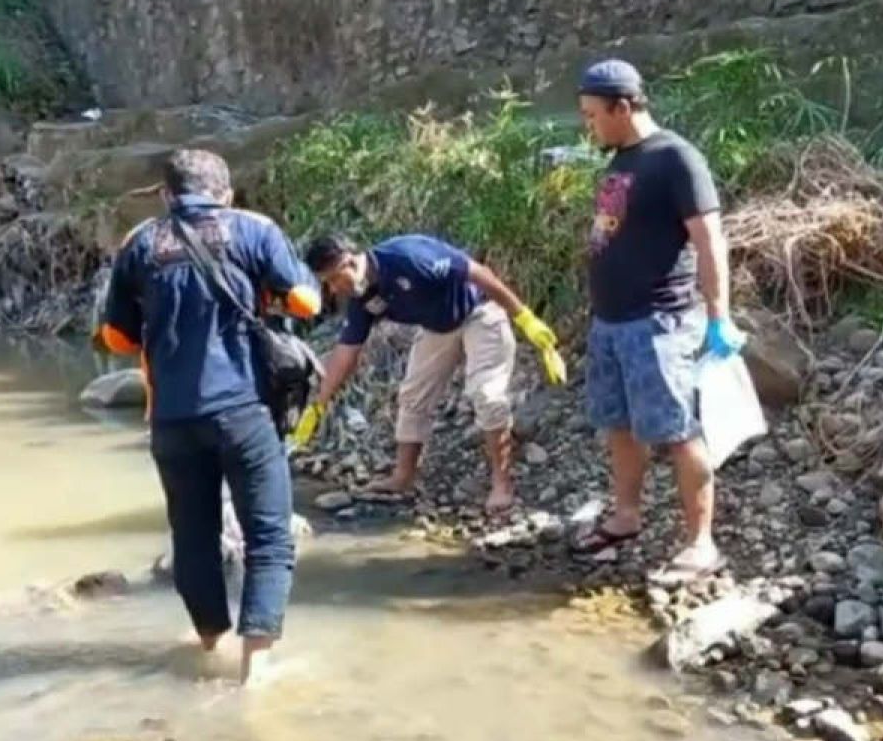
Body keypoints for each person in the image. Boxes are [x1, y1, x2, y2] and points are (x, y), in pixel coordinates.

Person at [94, 148, 322, 685]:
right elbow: (307, 302)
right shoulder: (253, 230)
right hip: (243, 410)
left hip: (171, 419)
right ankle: (256, 669)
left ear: (168, 195)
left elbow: (116, 338)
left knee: (193, 538)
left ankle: (210, 646)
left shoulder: (140, 243)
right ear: (226, 193)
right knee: (267, 537)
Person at [571, 58, 746, 583]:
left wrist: (719, 315)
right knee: (618, 425)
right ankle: (626, 517)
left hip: (659, 323)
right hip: (609, 323)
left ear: (623, 107)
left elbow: (709, 238)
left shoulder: (675, 158)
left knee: (677, 430)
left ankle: (701, 543)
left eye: (593, 115)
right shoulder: (620, 160)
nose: (589, 125)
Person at [290, 232, 566, 512]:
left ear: (348, 262)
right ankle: (402, 478)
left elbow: (478, 273)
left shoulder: (408, 258)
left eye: (334, 279)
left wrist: (526, 319)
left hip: (479, 312)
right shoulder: (361, 298)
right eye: (327, 284)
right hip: (437, 327)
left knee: (487, 395)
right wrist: (318, 406)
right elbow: (347, 352)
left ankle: (502, 484)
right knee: (412, 396)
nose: (334, 290)